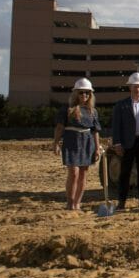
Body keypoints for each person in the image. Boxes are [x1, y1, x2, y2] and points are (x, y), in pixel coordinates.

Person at [53, 78, 101, 210]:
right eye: (81, 92)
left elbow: (95, 131)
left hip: (87, 142)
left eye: (87, 93)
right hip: (71, 142)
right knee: (73, 173)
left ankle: (77, 203)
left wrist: (97, 148)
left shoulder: (93, 111)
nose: (84, 95)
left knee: (83, 174)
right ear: (76, 93)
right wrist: (56, 143)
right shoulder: (67, 109)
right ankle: (70, 203)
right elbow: (59, 128)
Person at [111, 72, 139, 208]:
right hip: (127, 143)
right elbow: (116, 126)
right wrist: (117, 143)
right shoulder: (121, 105)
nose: (138, 89)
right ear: (130, 87)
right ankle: (122, 201)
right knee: (125, 172)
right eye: (136, 87)